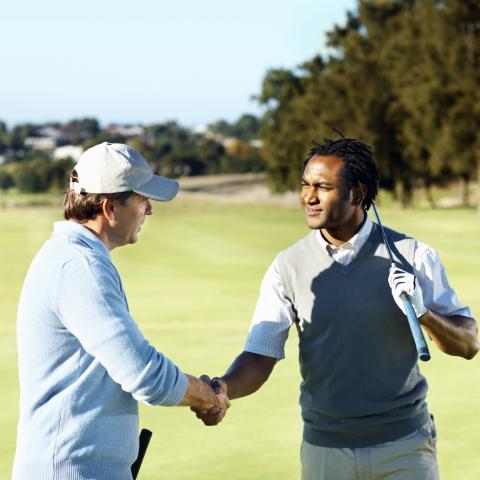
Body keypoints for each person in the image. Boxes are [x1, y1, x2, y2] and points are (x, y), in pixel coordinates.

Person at [193, 138, 479, 479]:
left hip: (404, 448)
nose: (309, 197)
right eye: (305, 185)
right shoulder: (287, 266)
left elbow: (467, 344)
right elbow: (259, 356)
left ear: (357, 194)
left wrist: (423, 312)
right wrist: (223, 390)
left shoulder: (412, 255)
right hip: (325, 453)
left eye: (323, 187)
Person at [13, 142, 229, 480]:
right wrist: (207, 398)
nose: (149, 211)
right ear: (111, 207)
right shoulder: (79, 265)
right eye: (143, 200)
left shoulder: (74, 256)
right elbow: (144, 374)